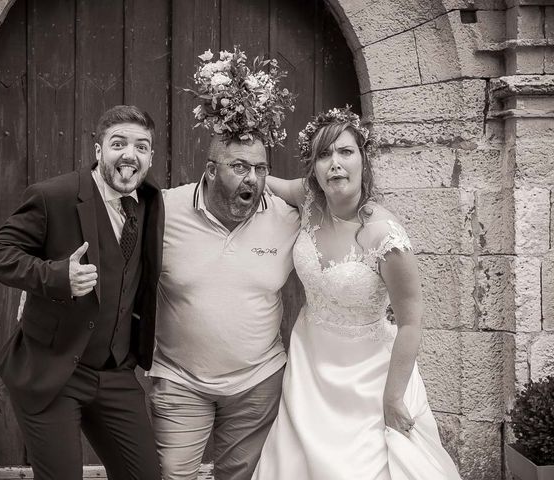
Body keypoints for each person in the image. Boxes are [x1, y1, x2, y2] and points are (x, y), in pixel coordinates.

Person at [251, 107, 462, 480]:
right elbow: (265, 182)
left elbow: (411, 323)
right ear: (313, 167)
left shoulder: (386, 237)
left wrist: (393, 397)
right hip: (309, 363)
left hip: (368, 376)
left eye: (345, 152)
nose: (335, 164)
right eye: (324, 155)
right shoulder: (308, 200)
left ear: (364, 160)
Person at [0, 105, 163, 480]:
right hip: (53, 368)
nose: (130, 154)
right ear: (98, 152)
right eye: (118, 143)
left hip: (116, 372)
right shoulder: (54, 196)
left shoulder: (151, 201)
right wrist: (56, 276)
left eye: (141, 146)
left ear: (150, 157)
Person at [147, 47, 300, 480]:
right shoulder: (163, 211)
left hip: (257, 382)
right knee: (173, 475)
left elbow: (336, 193)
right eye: (239, 167)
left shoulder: (285, 216)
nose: (252, 179)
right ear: (211, 172)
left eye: (260, 169)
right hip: (180, 379)